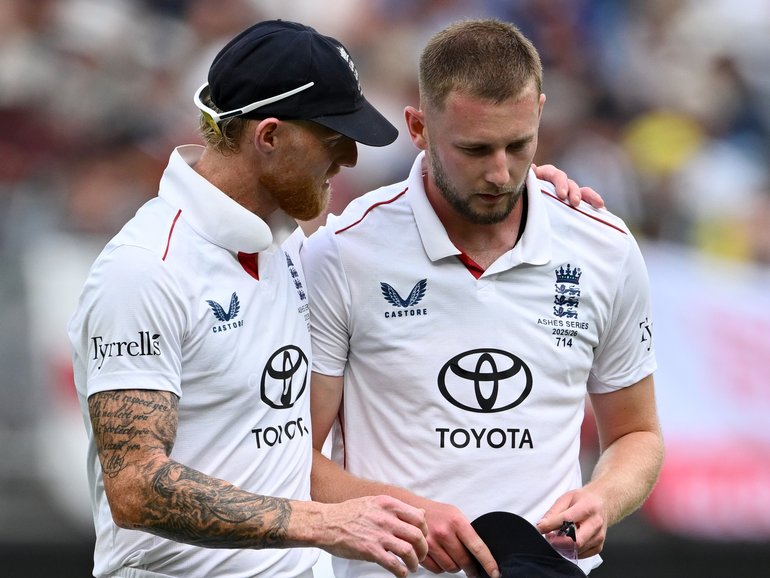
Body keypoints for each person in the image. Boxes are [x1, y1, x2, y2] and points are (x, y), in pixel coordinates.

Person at [67, 19, 596, 578]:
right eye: (332, 138)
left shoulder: (286, 244)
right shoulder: (144, 269)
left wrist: (514, 189)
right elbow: (134, 488)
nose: (348, 158)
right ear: (268, 137)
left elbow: (406, 217)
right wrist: (319, 522)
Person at [302, 18, 664, 578]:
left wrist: (605, 498)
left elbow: (636, 433)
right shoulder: (342, 253)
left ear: (540, 112)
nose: (501, 173)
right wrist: (407, 518)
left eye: (519, 145)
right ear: (418, 127)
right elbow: (293, 457)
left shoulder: (605, 247)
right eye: (475, 149)